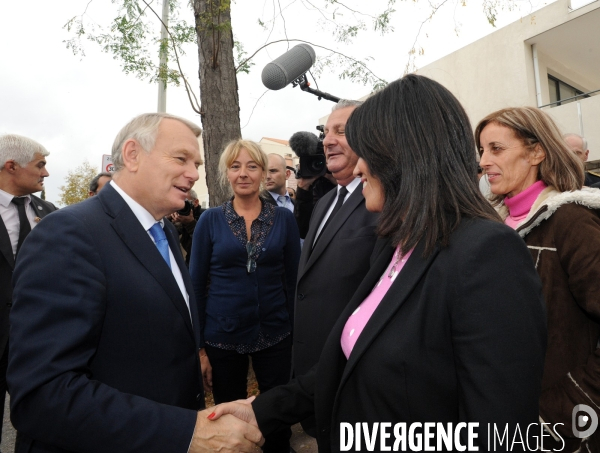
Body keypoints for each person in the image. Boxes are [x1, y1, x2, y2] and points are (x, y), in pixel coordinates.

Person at [209, 74, 547, 452]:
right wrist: (262, 410)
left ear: (403, 156)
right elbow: (351, 357)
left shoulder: (487, 254)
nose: (357, 169)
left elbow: (498, 434)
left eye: (366, 153)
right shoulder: (396, 245)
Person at [7, 113, 262, 453]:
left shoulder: (165, 231)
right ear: (132, 155)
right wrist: (185, 432)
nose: (194, 173)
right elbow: (43, 395)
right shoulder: (68, 234)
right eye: (181, 158)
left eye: (197, 163)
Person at [476, 106, 600, 452]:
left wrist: (568, 406)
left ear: (536, 152)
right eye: (481, 150)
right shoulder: (488, 227)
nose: (484, 161)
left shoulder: (571, 221)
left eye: (496, 149)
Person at [189, 139, 300, 453]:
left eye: (252, 166)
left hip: (276, 332)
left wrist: (296, 336)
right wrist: (200, 349)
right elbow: (196, 285)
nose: (243, 173)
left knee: (277, 413)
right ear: (227, 173)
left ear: (263, 172)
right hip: (222, 336)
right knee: (227, 413)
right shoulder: (209, 220)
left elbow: (292, 281)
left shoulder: (284, 219)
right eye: (235, 166)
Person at [293, 100, 379, 436]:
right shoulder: (325, 201)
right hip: (312, 371)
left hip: (353, 376)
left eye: (340, 131)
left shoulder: (382, 202)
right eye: (326, 132)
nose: (327, 140)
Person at [0, 134, 57, 453]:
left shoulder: (49, 213)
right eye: (40, 164)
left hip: (37, 340)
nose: (45, 173)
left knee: (40, 421)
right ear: (11, 166)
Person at [170, 189, 204, 266]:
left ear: (196, 202)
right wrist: (167, 220)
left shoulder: (206, 217)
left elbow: (204, 245)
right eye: (177, 203)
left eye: (184, 202)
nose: (181, 207)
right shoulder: (176, 218)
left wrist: (191, 224)